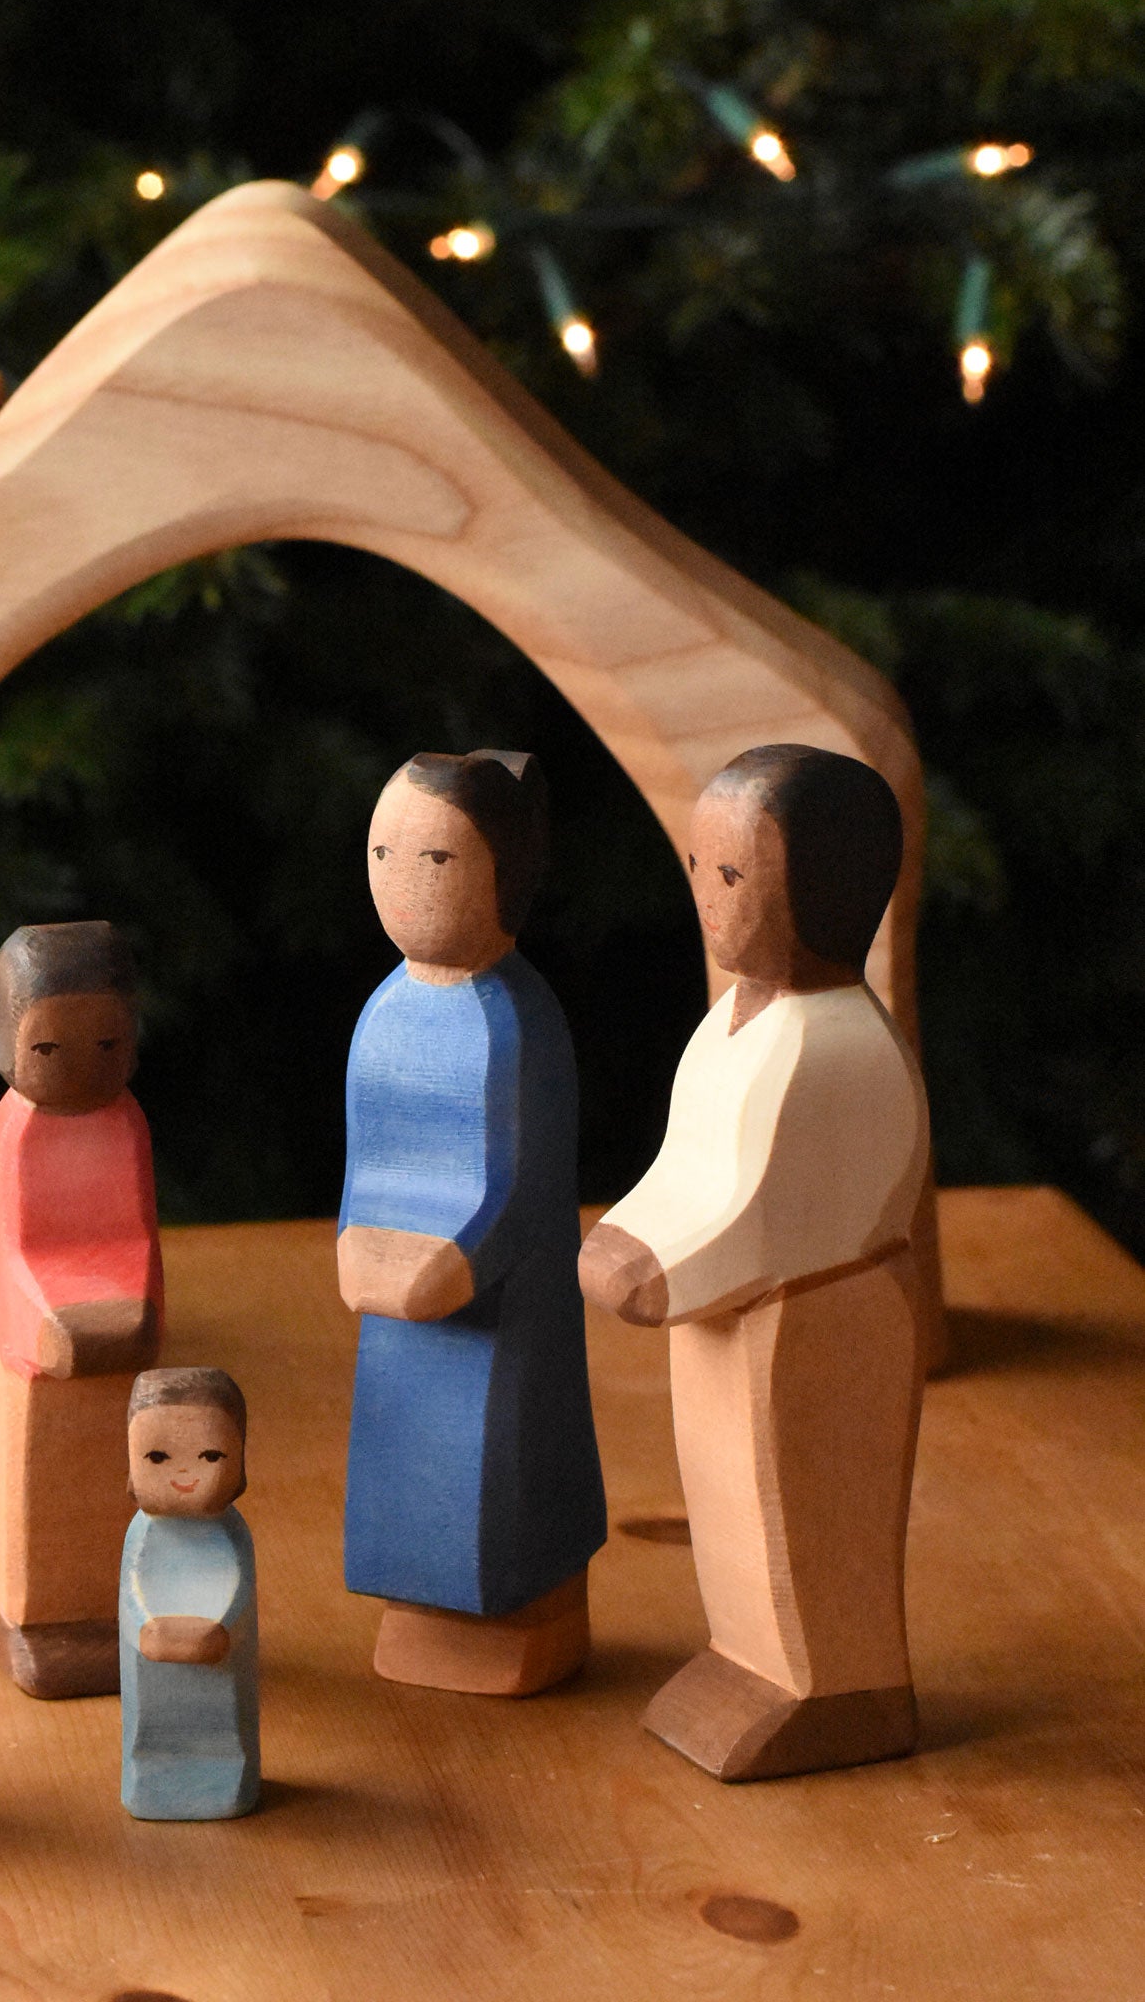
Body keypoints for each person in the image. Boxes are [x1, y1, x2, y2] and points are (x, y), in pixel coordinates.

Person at [579, 743, 930, 1780]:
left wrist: (651, 1269)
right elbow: (685, 1163)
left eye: (730, 875)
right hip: (732, 1314)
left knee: (804, 1523)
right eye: (698, 867)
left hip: (818, 1318)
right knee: (728, 1504)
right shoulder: (732, 1021)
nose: (703, 896)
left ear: (823, 891)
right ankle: (744, 1659)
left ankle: (834, 1690)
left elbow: (764, 1212)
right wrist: (629, 1233)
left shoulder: (832, 1045)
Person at [337, 750, 606, 1696]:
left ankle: (533, 1617)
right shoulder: (384, 1011)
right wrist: (353, 1237)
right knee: (402, 1454)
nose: (402, 881)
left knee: (502, 1467)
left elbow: (521, 1187)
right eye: (383, 853)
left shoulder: (517, 1018)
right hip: (395, 1287)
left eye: (438, 861)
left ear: (505, 875)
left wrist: (458, 1260)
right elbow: (367, 1159)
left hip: (501, 1300)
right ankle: (419, 1612)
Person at [0, 920, 163, 1697]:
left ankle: (119, 1619)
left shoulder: (125, 1124)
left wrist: (139, 1307)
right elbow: (8, 1255)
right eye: (50, 1048)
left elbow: (136, 1236)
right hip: (36, 1358)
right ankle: (39, 1624)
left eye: (107, 1044)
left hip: (115, 1337)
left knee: (122, 1494)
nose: (83, 1065)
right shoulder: (15, 1133)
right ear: (10, 1043)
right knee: (41, 1508)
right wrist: (48, 1324)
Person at [119, 1366, 259, 1820]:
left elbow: (239, 1594)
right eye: (157, 1457)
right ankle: (153, 1784)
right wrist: (146, 1628)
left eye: (210, 1456)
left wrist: (222, 1630)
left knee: (223, 1734)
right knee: (152, 1735)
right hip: (154, 1669)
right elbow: (131, 1594)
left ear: (239, 1462)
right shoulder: (143, 1532)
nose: (184, 1473)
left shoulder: (231, 1533)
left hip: (218, 1665)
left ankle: (225, 1784)